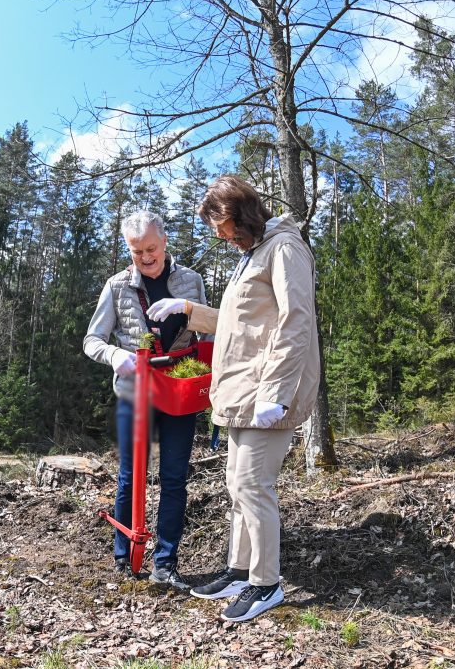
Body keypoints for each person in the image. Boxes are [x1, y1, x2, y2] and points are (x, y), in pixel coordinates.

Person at [146, 175, 319, 622]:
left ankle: (266, 584)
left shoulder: (284, 248)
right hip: (244, 388)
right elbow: (239, 323)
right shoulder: (253, 255)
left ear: (243, 213)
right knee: (236, 484)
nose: (221, 236)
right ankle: (240, 571)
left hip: (269, 389)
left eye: (223, 226)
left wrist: (277, 392)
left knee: (253, 485)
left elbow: (296, 320)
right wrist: (187, 310)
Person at [83, 210, 208, 589]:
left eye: (151, 248)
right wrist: (116, 357)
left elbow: (207, 332)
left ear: (165, 241)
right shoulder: (117, 286)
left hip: (180, 393)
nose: (146, 257)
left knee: (173, 478)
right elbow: (92, 341)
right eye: (137, 252)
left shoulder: (191, 281)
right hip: (135, 395)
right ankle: (125, 556)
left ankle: (165, 563)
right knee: (129, 477)